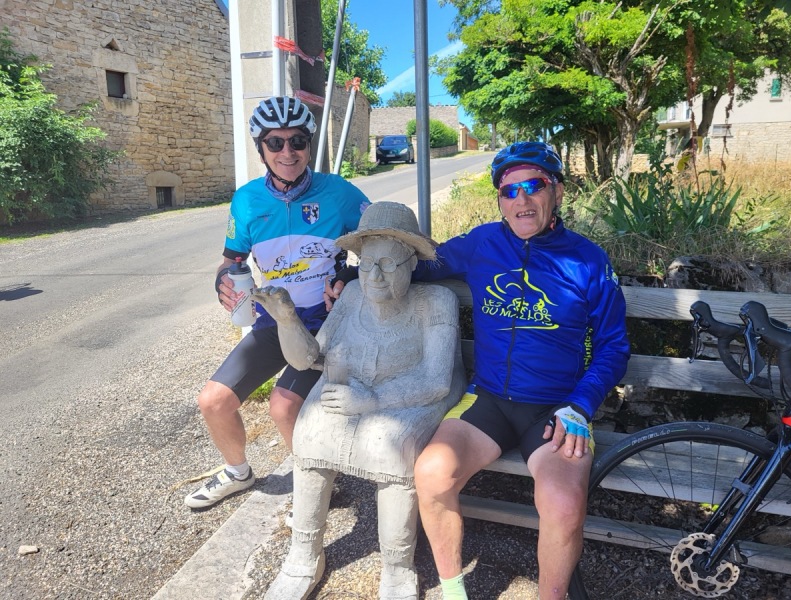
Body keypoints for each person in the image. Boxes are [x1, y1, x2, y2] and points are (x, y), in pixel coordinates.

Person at [411, 142, 631, 600]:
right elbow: (419, 268)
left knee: (564, 503)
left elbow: (613, 345)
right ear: (499, 200)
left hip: (556, 408)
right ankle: (453, 593)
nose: (521, 199)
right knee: (431, 474)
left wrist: (580, 405)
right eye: (509, 191)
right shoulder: (482, 244)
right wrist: (350, 278)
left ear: (558, 192)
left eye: (534, 186)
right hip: (488, 399)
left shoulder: (588, 260)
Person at [253, 202, 466, 600]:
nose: (374, 276)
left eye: (387, 263)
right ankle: (303, 554)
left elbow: (436, 380)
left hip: (414, 393)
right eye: (366, 264)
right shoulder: (351, 295)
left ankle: (397, 566)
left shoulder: (435, 302)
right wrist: (287, 320)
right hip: (354, 389)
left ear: (412, 264)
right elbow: (310, 358)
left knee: (390, 446)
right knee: (310, 432)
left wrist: (372, 400)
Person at [184, 96, 370, 509]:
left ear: (309, 144)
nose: (288, 152)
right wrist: (222, 282)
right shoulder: (247, 200)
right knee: (213, 402)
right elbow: (232, 261)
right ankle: (238, 473)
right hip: (276, 320)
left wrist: (349, 274)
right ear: (261, 149)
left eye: (297, 141)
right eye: (275, 143)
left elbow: (382, 244)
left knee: (283, 407)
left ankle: (317, 485)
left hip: (325, 323)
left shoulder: (338, 193)